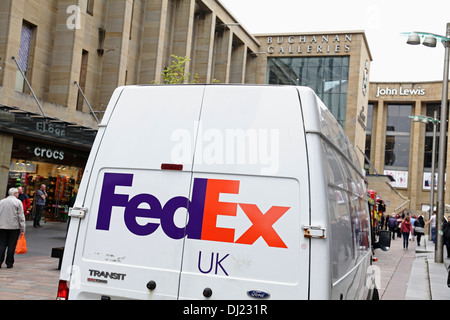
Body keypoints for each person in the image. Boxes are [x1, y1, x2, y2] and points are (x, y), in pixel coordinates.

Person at [0, 188, 26, 268]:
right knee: (11, 245)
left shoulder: (1, 201)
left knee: (1, 245)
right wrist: (22, 228)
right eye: (17, 193)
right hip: (14, 227)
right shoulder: (18, 202)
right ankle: (9, 262)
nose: (18, 194)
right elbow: (21, 216)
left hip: (2, 226)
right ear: (15, 194)